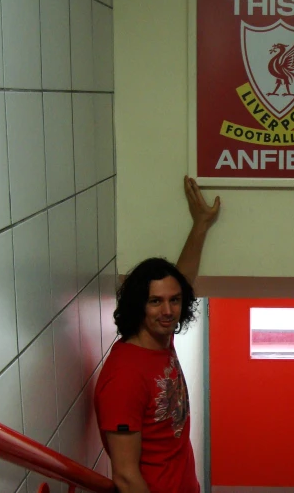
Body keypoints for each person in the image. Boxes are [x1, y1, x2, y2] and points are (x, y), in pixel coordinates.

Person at [94, 176, 220, 493]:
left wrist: (201, 224)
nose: (167, 311)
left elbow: (183, 279)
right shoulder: (124, 377)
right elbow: (124, 475)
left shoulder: (159, 342)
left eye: (173, 301)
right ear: (138, 305)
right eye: (155, 301)